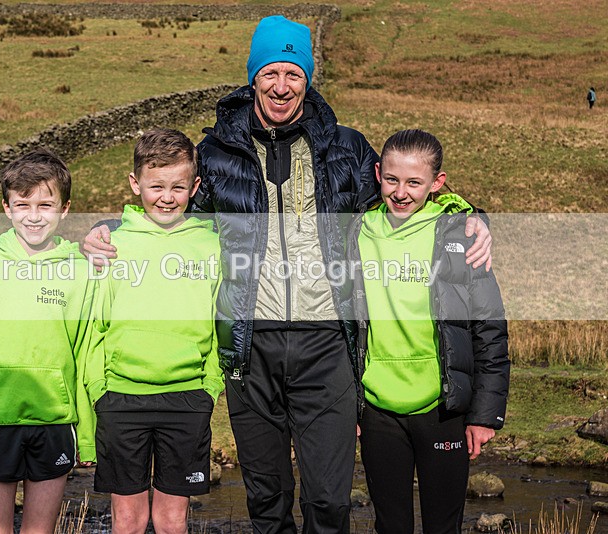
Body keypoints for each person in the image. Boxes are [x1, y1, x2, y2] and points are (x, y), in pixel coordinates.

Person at [82, 16, 493, 533]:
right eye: (271, 72)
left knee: (328, 500)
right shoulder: (214, 153)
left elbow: (403, 202)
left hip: (327, 349)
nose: (281, 86)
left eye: (293, 74)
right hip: (249, 349)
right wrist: (105, 229)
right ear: (253, 76)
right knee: (267, 499)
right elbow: (167, 211)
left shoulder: (347, 148)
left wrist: (467, 214)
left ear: (308, 78)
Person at [349, 129, 510, 533]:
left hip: (443, 409)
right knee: (391, 524)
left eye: (414, 182)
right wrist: (348, 405)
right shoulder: (355, 232)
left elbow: (489, 327)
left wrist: (485, 414)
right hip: (377, 409)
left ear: (437, 183)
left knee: (443, 525)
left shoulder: (461, 235)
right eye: (391, 179)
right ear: (377, 174)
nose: (401, 192)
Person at [0, 148, 95, 534]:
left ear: (65, 210)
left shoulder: (80, 271)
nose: (34, 214)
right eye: (23, 203)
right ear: (7, 209)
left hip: (55, 421)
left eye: (46, 204)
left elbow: (86, 353)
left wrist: (88, 438)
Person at [84, 128, 224, 534]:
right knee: (127, 520)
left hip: (187, 399)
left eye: (178, 187)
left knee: (172, 519)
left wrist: (208, 388)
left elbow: (220, 324)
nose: (167, 197)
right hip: (121, 399)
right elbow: (95, 325)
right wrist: (100, 390)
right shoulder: (112, 245)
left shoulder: (211, 246)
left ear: (194, 186)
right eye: (156, 186)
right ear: (135, 184)